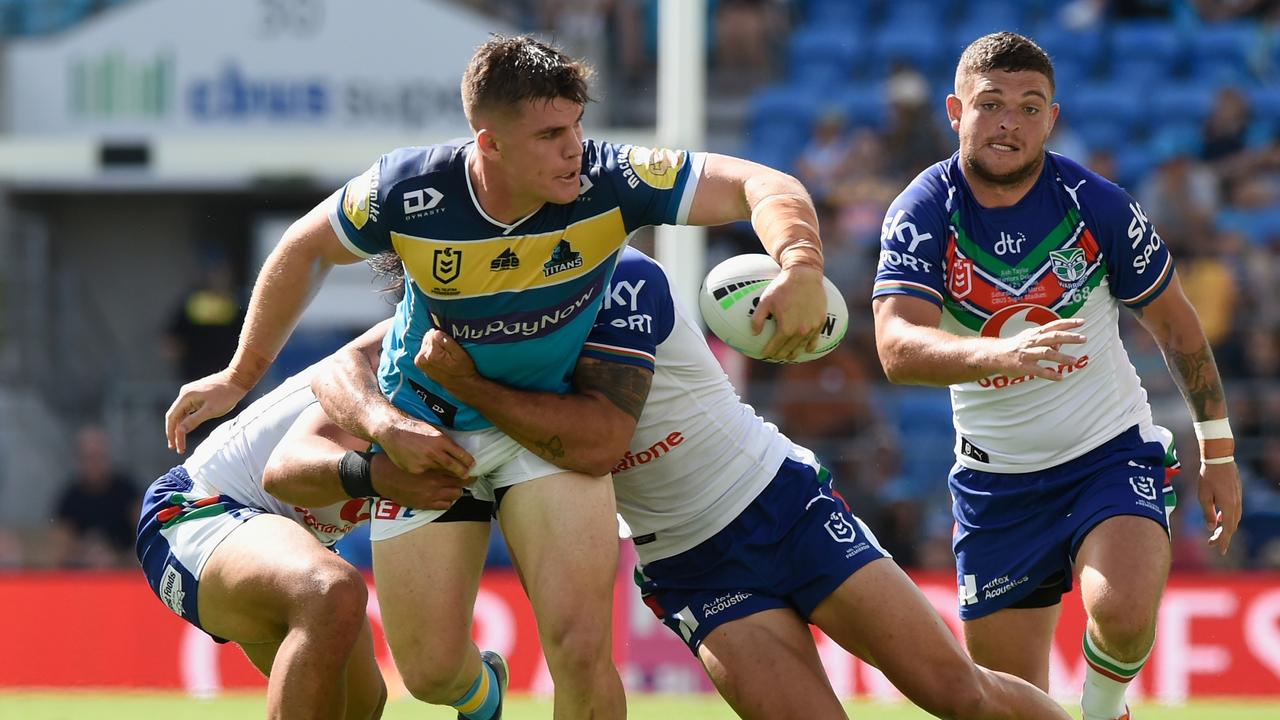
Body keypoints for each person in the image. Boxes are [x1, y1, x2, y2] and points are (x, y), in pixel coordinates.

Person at [162, 35, 829, 720]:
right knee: (430, 675)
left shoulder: (612, 179)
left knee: (578, 650)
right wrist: (238, 377)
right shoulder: (408, 191)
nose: (574, 148)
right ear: (490, 143)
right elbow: (304, 249)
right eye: (548, 134)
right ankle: (481, 692)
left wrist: (801, 260)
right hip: (429, 434)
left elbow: (760, 183)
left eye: (575, 126)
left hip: (540, 432)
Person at [301, 247, 1073, 720]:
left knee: (957, 694)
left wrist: (471, 388)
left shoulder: (621, 279)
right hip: (692, 569)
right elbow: (344, 365)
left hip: (781, 505)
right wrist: (381, 417)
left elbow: (596, 442)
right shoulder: (448, 326)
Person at [871, 32, 1243, 720]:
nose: (1009, 121)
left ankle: (1104, 712)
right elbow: (895, 347)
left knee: (1123, 610)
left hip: (1108, 452)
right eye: (990, 104)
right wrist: (999, 357)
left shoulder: (1095, 203)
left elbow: (1176, 325)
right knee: (1005, 704)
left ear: (1053, 119)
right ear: (956, 111)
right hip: (997, 483)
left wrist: (1217, 450)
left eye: (1029, 105)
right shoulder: (923, 211)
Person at [136, 322, 468, 720]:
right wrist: (381, 476)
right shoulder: (413, 336)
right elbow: (283, 470)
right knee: (330, 591)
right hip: (198, 510)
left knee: (361, 706)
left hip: (288, 535)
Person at [51, 425, 140, 568]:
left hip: (123, 571)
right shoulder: (70, 497)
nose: (94, 463)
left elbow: (146, 532)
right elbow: (61, 548)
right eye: (89, 457)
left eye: (99, 456)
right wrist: (86, 554)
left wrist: (118, 558)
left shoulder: (127, 491)